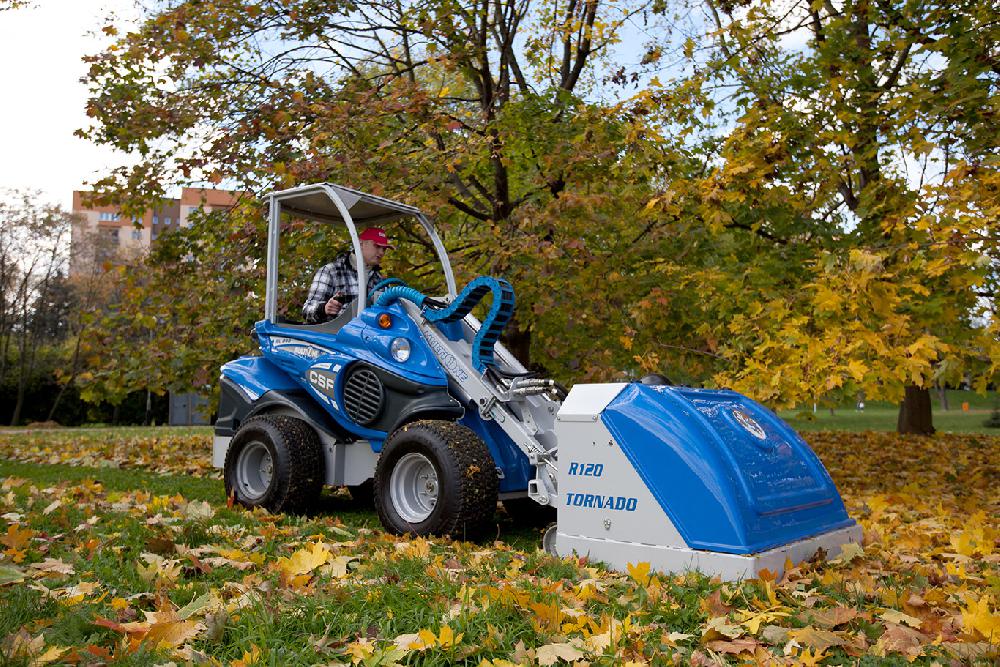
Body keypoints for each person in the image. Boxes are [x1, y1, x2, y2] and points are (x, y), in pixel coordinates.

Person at [302, 227, 391, 323]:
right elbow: (307, 311)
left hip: (369, 336)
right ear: (360, 244)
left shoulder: (381, 281)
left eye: (384, 249)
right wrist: (324, 309)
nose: (381, 253)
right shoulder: (331, 271)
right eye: (377, 246)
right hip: (334, 335)